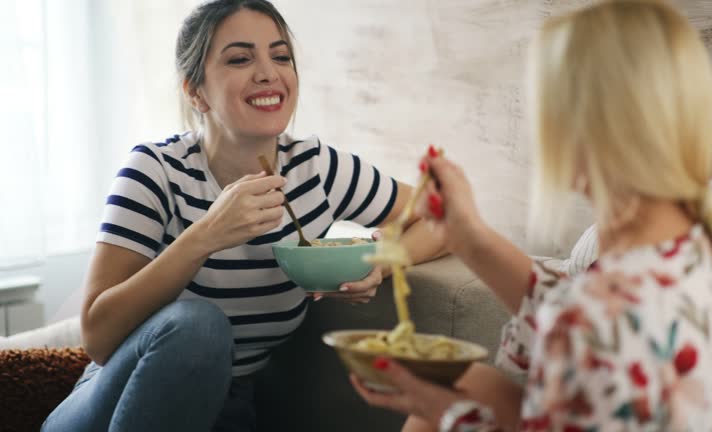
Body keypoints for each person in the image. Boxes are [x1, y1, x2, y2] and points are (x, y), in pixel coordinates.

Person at [350, 1, 712, 430]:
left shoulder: (594, 317)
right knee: (469, 380)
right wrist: (469, 236)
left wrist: (439, 406)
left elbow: (588, 330)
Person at [41, 1, 444, 430]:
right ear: (196, 92)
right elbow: (98, 340)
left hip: (229, 410)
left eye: (281, 56)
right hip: (112, 403)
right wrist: (206, 235)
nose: (269, 72)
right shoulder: (154, 171)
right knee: (198, 325)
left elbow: (443, 213)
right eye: (240, 58)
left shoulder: (316, 170)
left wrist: (379, 262)